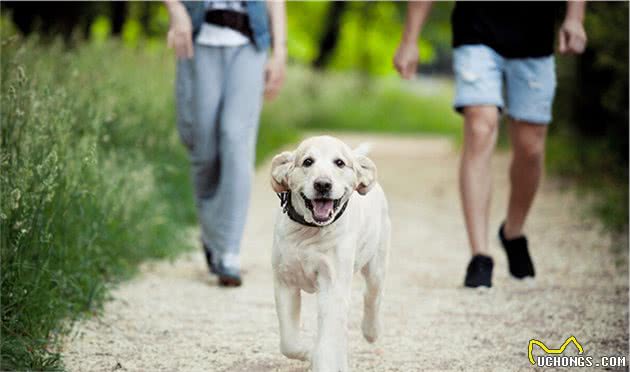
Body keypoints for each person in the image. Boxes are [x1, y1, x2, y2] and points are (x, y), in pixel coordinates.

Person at [394, 1, 587, 287]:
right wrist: (410, 38)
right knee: (480, 125)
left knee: (530, 146)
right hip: (475, 31)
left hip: (535, 36)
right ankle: (480, 256)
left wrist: (575, 17)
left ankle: (512, 232)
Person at [165, 0, 287, 286]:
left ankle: (229, 250)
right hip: (198, 37)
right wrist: (175, 9)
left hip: (250, 42)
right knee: (203, 149)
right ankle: (212, 233)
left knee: (236, 140)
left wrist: (279, 51)